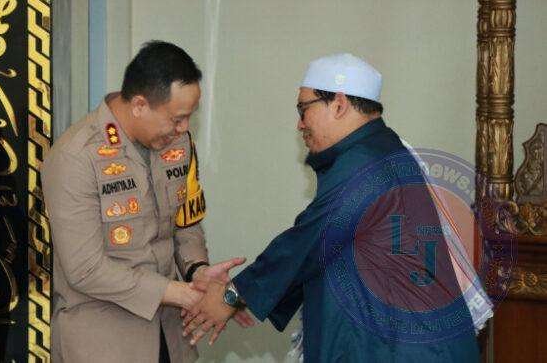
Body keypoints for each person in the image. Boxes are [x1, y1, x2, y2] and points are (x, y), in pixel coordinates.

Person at [183, 53, 481, 362]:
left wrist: (233, 295)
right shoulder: (376, 150)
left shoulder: (365, 163)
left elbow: (309, 239)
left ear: (338, 104)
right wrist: (243, 295)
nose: (300, 124)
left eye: (303, 109)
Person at [41, 41, 252, 363]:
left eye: (189, 118)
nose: (184, 129)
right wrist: (180, 294)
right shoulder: (76, 156)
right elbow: (85, 269)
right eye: (177, 118)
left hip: (171, 336)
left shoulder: (178, 144)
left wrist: (198, 271)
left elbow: (186, 224)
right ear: (140, 104)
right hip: (104, 342)